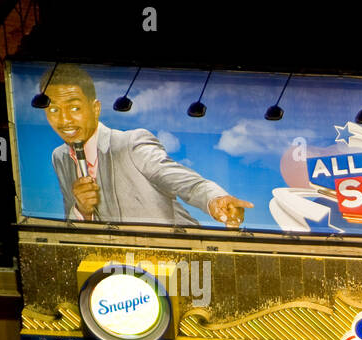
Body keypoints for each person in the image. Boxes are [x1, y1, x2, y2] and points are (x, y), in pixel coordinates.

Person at [40, 64, 252, 227]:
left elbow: (186, 182)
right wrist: (82, 210)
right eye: (53, 110)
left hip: (178, 256)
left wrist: (216, 199)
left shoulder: (131, 144)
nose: (65, 119)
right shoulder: (59, 157)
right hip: (119, 266)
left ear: (95, 108)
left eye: (74, 108)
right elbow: (72, 225)